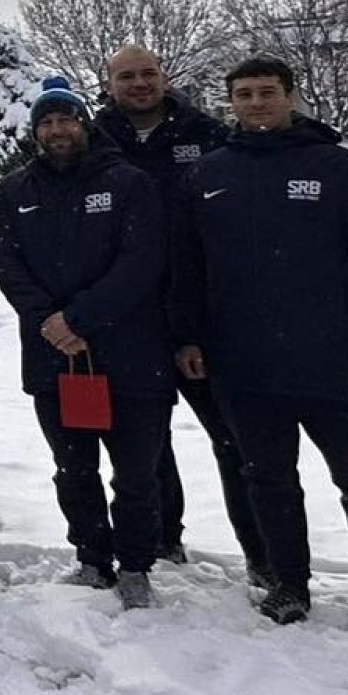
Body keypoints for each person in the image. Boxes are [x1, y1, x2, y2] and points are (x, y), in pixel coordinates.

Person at [171, 56, 348, 626]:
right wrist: (187, 336)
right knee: (268, 482)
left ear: (290, 95)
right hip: (244, 366)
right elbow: (187, 269)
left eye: (267, 92)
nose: (255, 103)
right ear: (230, 102)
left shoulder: (338, 168)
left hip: (336, 363)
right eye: (244, 94)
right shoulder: (208, 175)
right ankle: (289, 585)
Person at [0, 78, 171, 610]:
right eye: (46, 123)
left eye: (65, 119)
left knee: (136, 473)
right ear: (35, 133)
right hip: (55, 356)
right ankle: (92, 557)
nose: (57, 130)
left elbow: (142, 260)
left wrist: (80, 317)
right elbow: (7, 263)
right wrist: (48, 320)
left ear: (84, 124)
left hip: (131, 354)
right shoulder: (16, 191)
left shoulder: (128, 182)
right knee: (73, 469)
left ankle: (135, 564)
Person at [92, 44, 261, 578]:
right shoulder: (95, 140)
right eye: (126, 76)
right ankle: (163, 539)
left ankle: (263, 556)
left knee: (234, 440)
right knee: (145, 443)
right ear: (110, 84)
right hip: (129, 316)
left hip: (204, 315)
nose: (139, 83)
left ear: (164, 77)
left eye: (148, 73)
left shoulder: (208, 135)